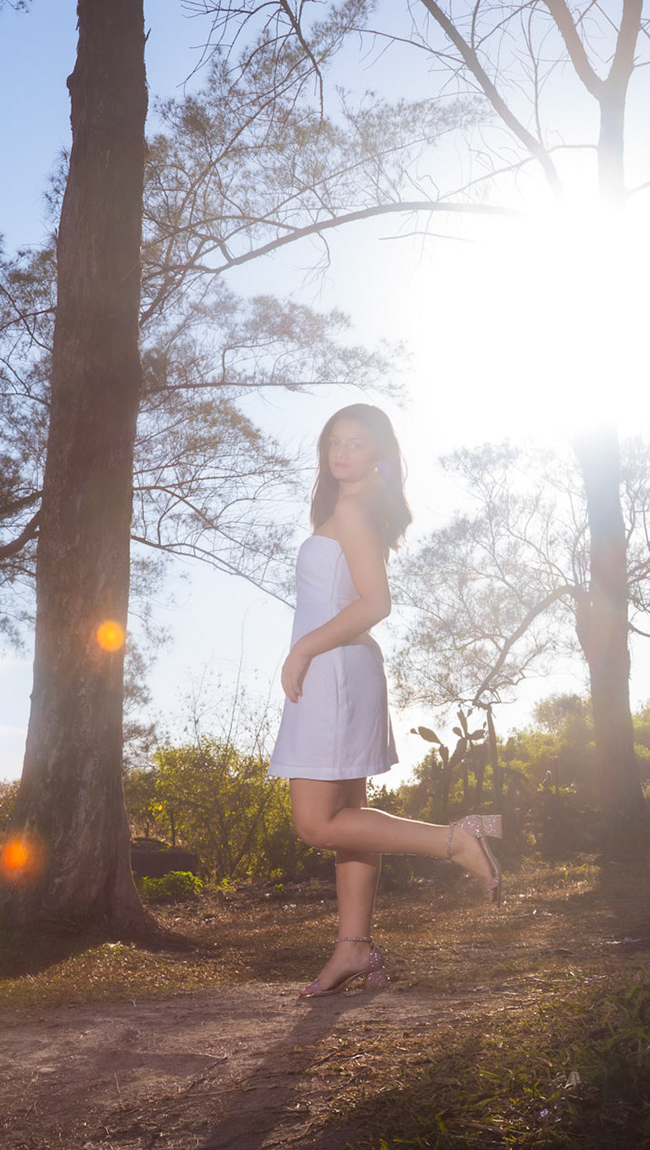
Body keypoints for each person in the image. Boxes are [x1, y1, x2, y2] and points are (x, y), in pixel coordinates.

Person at [269, 402, 503, 999]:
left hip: (333, 672)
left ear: (377, 454)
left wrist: (302, 650)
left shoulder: (351, 512)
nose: (341, 453)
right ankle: (354, 947)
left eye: (356, 443)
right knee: (349, 820)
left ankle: (454, 840)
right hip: (339, 670)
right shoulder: (351, 511)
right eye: (334, 442)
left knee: (317, 823)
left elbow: (376, 603)